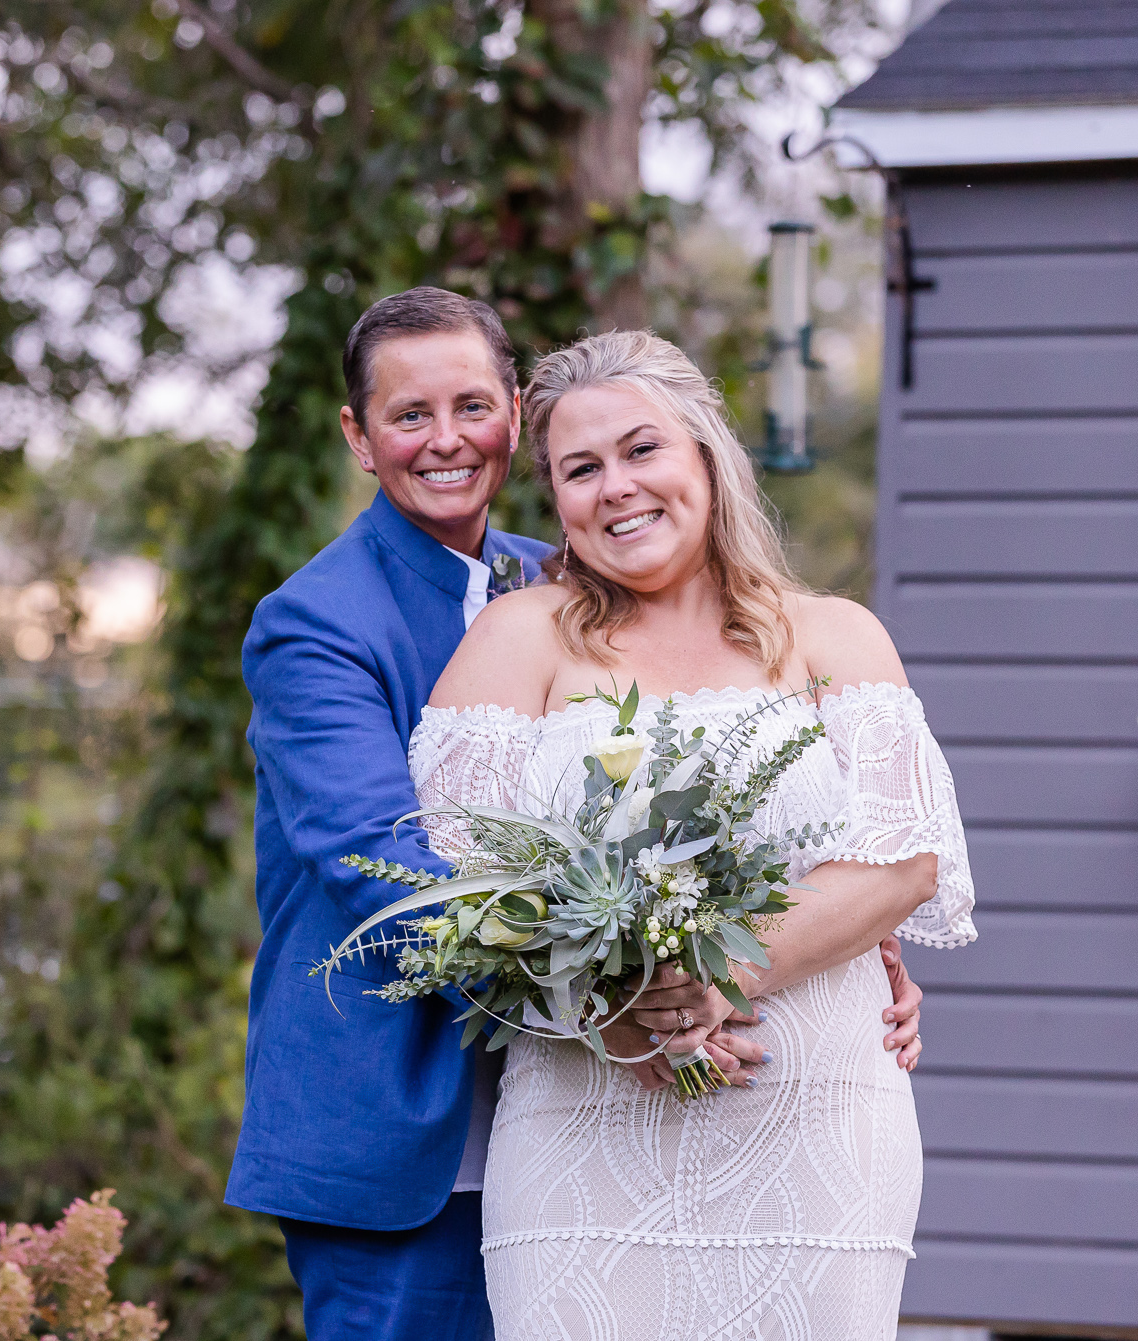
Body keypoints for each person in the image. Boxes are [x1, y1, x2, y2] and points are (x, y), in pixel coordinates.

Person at [227, 290, 931, 1341]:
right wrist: (624, 1003)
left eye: (470, 405)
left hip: (616, 1101)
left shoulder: (566, 573)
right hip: (404, 1121)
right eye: (407, 415)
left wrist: (830, 938)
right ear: (358, 437)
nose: (445, 439)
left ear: (513, 416)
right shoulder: (316, 625)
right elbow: (391, 871)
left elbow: (782, 827)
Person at [415, 328, 976, 1341]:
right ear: (559, 502)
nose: (615, 487)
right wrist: (615, 1012)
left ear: (705, 457)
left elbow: (900, 861)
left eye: (641, 451)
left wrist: (722, 979)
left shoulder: (833, 637)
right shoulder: (517, 640)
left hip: (812, 1126)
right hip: (581, 1127)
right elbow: (456, 886)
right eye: (579, 470)